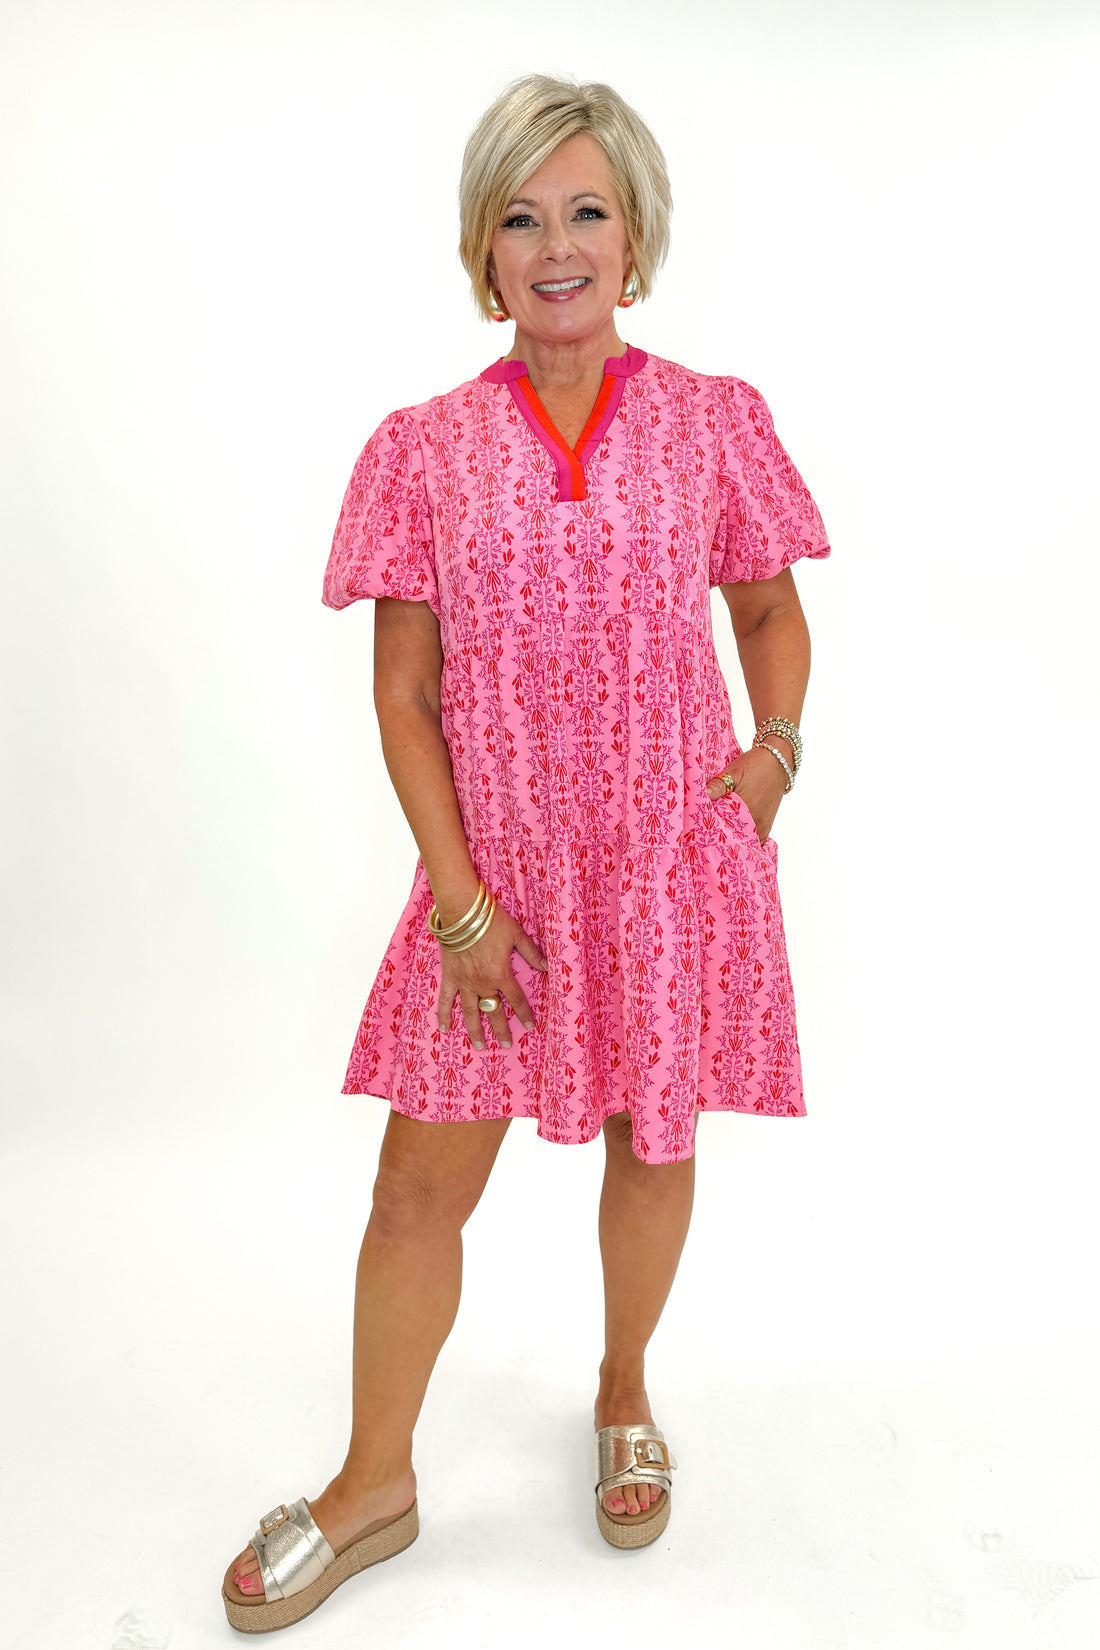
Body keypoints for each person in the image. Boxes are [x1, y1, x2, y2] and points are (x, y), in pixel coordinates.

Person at [222, 73, 830, 1631]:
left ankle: (624, 1386)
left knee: (656, 1135)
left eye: (585, 212)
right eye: (520, 216)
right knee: (417, 1190)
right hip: (491, 887)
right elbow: (404, 695)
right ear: (482, 252)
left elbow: (766, 605)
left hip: (665, 866)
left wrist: (768, 762)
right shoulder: (422, 449)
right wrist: (464, 908)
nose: (554, 245)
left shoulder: (712, 421)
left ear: (635, 239)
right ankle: (375, 1481)